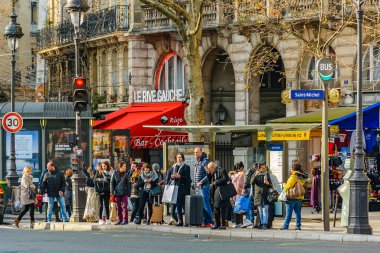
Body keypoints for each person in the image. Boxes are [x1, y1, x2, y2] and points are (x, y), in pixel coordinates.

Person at [281, 164, 308, 231]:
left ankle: (285, 226)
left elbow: (288, 186)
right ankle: (298, 226)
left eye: (291, 168)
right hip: (300, 197)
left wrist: (284, 184)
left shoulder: (293, 177)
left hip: (292, 196)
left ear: (293, 169)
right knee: (298, 212)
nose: (290, 170)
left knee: (289, 213)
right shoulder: (303, 177)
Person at [168, 152, 191, 226]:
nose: (179, 159)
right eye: (178, 157)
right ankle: (180, 221)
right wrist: (172, 177)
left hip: (183, 188)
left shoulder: (186, 167)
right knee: (177, 206)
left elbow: (188, 179)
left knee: (184, 206)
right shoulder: (173, 167)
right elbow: (168, 179)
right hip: (174, 188)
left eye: (180, 157)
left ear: (183, 158)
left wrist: (180, 176)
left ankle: (187, 222)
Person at [193, 147, 213, 228]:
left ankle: (209, 222)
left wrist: (201, 182)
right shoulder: (198, 162)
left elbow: (209, 174)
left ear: (201, 152)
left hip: (204, 186)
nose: (195, 154)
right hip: (198, 187)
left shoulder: (205, 162)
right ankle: (201, 221)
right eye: (194, 152)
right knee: (200, 205)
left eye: (197, 152)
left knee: (205, 204)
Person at [207, 162, 230, 230]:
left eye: (209, 169)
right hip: (215, 191)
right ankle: (217, 224)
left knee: (222, 208)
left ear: (212, 167)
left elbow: (226, 178)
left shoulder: (221, 170)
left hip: (222, 191)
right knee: (216, 208)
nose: (209, 170)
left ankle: (223, 224)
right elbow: (209, 180)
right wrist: (208, 173)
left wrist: (217, 182)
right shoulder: (213, 172)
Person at [253, 164, 272, 230]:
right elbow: (251, 182)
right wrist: (255, 176)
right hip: (258, 195)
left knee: (265, 210)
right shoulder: (255, 175)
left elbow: (271, 185)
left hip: (265, 194)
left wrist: (268, 183)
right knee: (260, 210)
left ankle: (264, 224)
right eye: (263, 168)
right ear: (259, 169)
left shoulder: (267, 175)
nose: (264, 169)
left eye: (265, 168)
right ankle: (261, 223)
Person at [241, 163, 258, 228]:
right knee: (257, 207)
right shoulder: (259, 172)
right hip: (256, 191)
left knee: (250, 207)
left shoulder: (250, 171)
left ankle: (250, 221)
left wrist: (244, 188)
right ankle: (255, 222)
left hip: (250, 190)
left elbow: (247, 181)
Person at [232, 161, 245, 228]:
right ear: (241, 168)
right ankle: (239, 222)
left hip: (233, 193)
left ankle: (234, 222)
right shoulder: (241, 175)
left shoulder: (233, 175)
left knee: (235, 208)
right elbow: (242, 185)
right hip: (239, 193)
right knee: (240, 208)